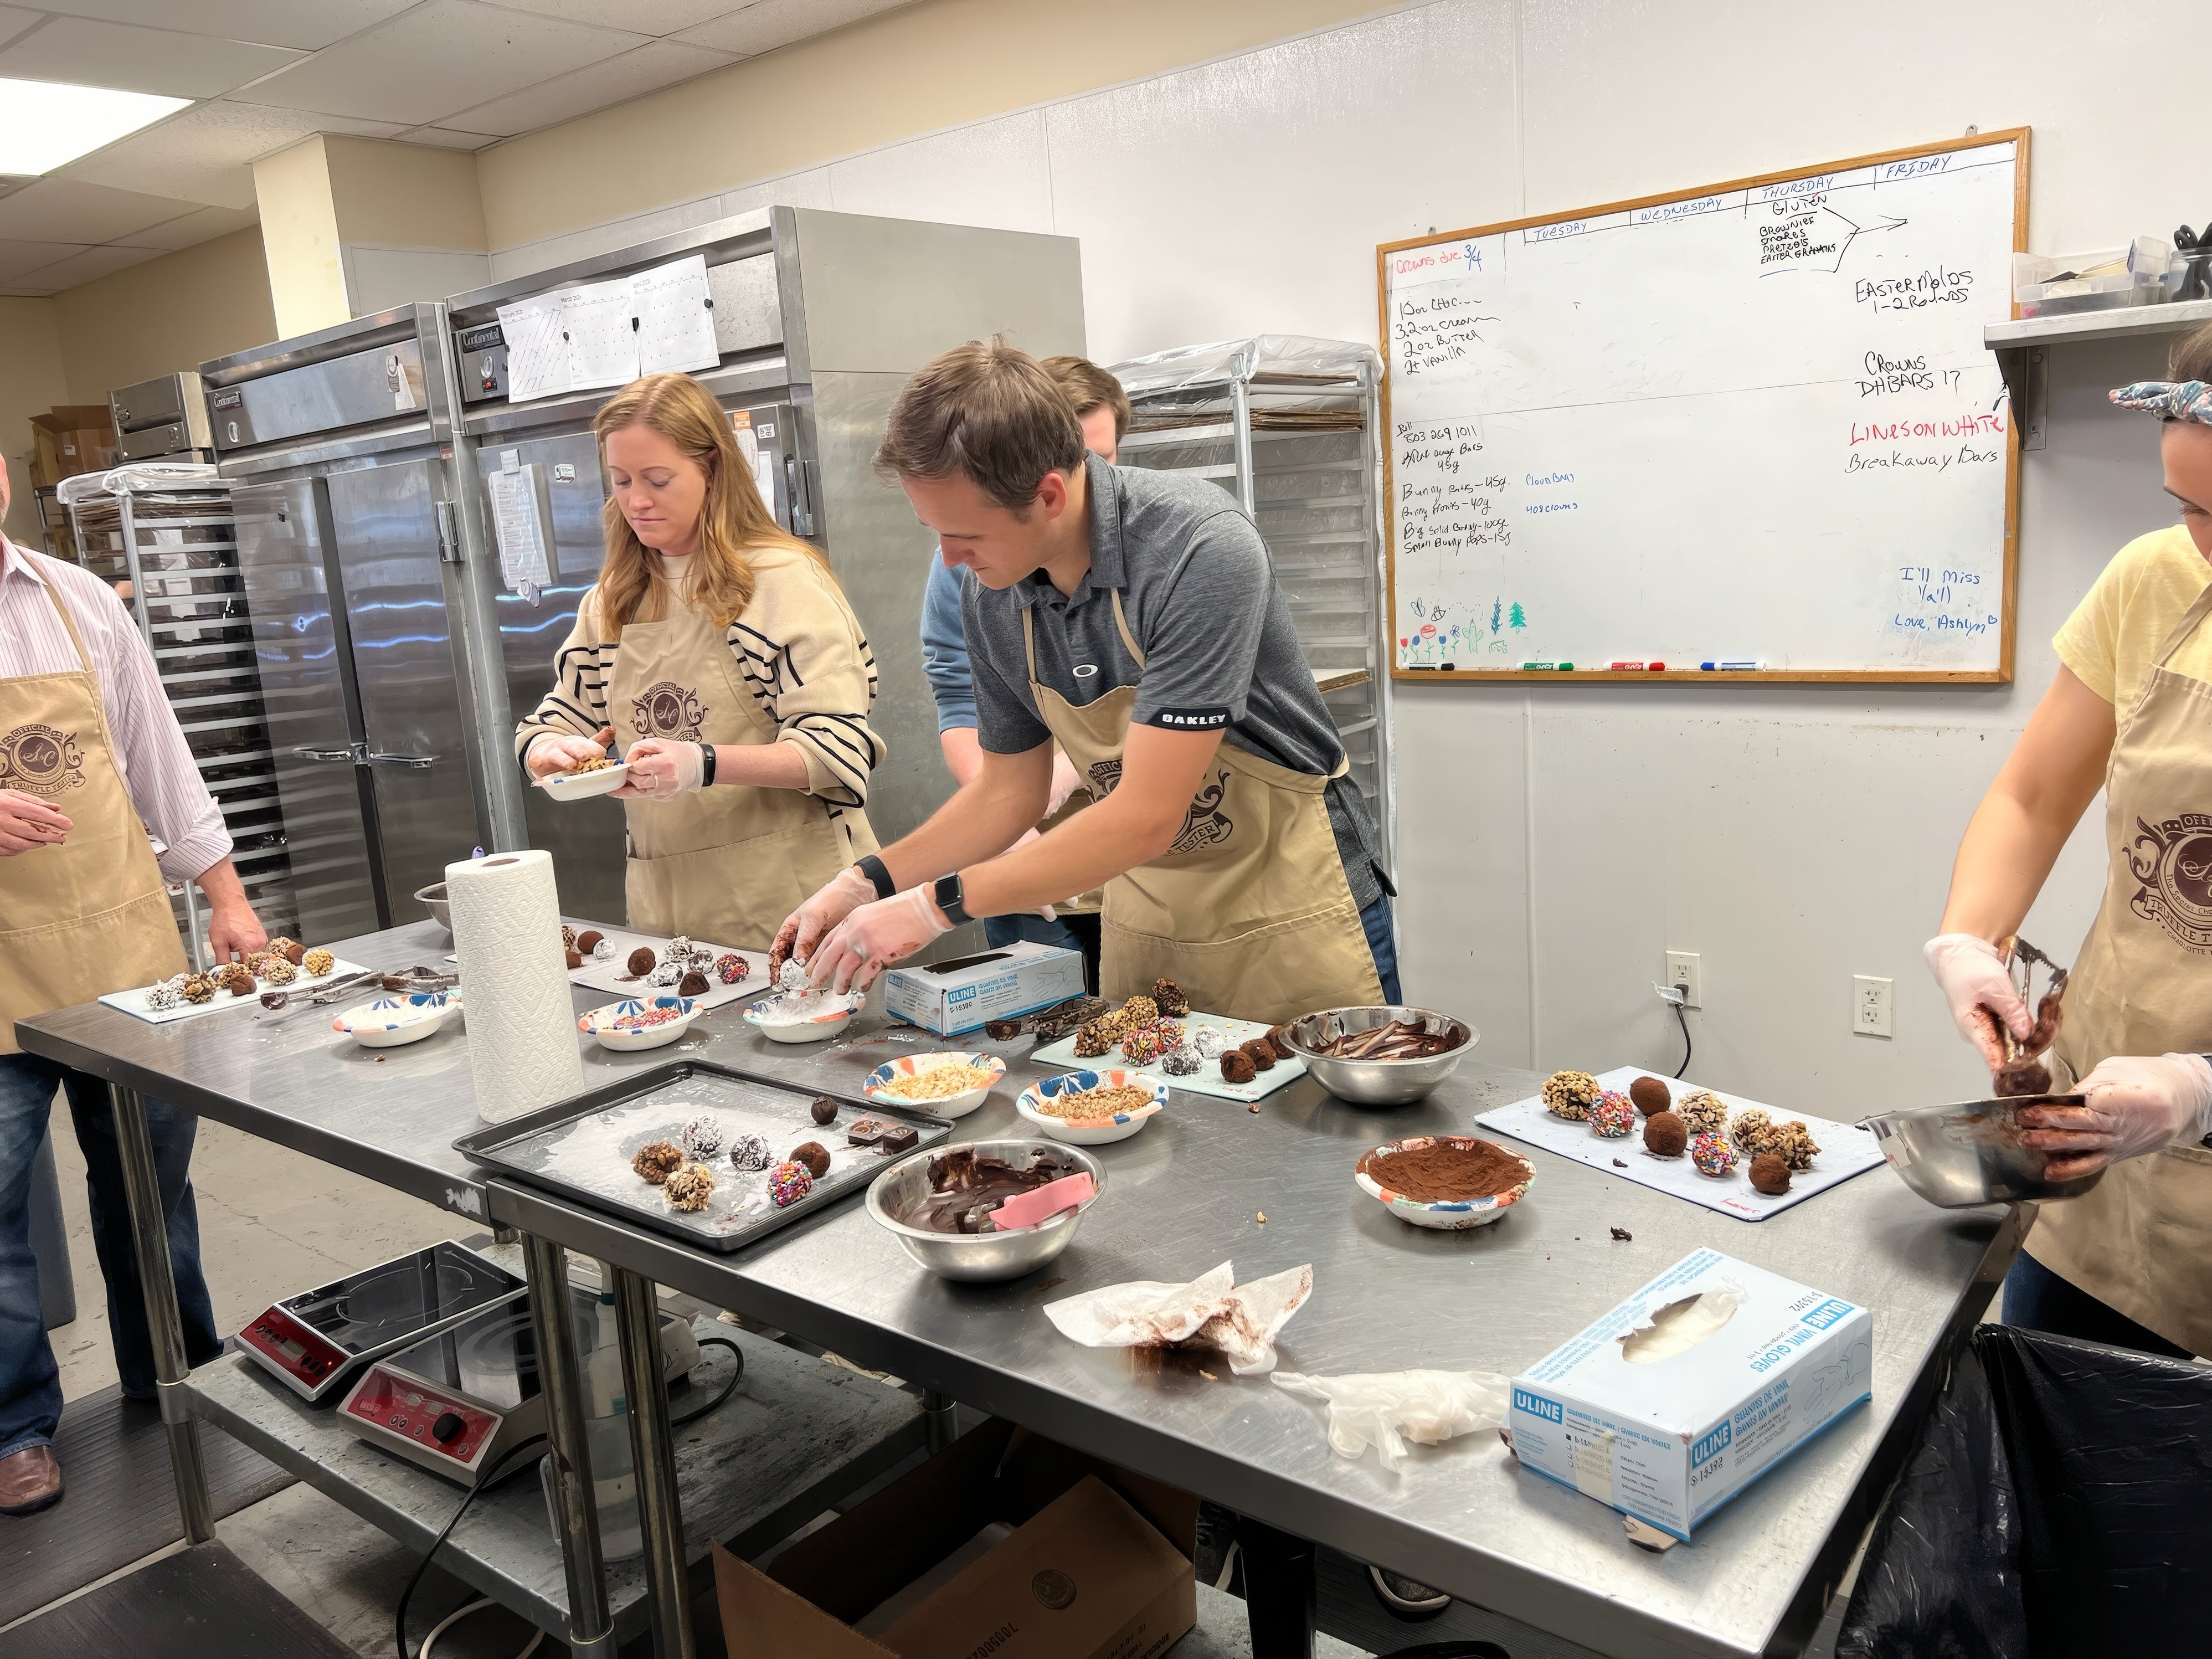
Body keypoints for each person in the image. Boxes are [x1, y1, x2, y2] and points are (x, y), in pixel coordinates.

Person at [773, 341, 1398, 1023]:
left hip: (1289, 907)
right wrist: (867, 881)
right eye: (935, 532)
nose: (949, 559)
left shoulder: (1198, 548)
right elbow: (1009, 795)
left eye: (963, 533)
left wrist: (935, 906)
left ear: (1047, 495)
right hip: (1149, 913)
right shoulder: (992, 594)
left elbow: (1148, 815)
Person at [1925, 326, 2212, 1362]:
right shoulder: (2156, 581)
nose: (2203, 544)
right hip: (2103, 1153)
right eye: (2189, 510)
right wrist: (1968, 940)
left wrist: (2202, 1088)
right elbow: (2035, 797)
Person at [0, 453, 263, 1516]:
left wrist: (227, 898)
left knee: (152, 1194)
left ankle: (180, 1374)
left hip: (123, 959)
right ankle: (15, 1428)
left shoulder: (74, 601)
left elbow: (161, 757)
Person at [518, 372, 883, 945]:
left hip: (795, 901)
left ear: (711, 469)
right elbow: (558, 719)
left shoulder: (779, 582)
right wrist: (550, 750)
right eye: (620, 481)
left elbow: (838, 750)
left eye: (658, 480)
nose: (636, 500)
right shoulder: (614, 599)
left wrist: (703, 764)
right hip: (667, 913)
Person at [918, 355, 1128, 992]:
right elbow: (959, 700)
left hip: (1141, 859)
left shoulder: (1168, 554)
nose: (1085, 483)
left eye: (1104, 459)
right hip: (1024, 861)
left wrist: (1058, 779)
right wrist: (1012, 824)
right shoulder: (971, 565)